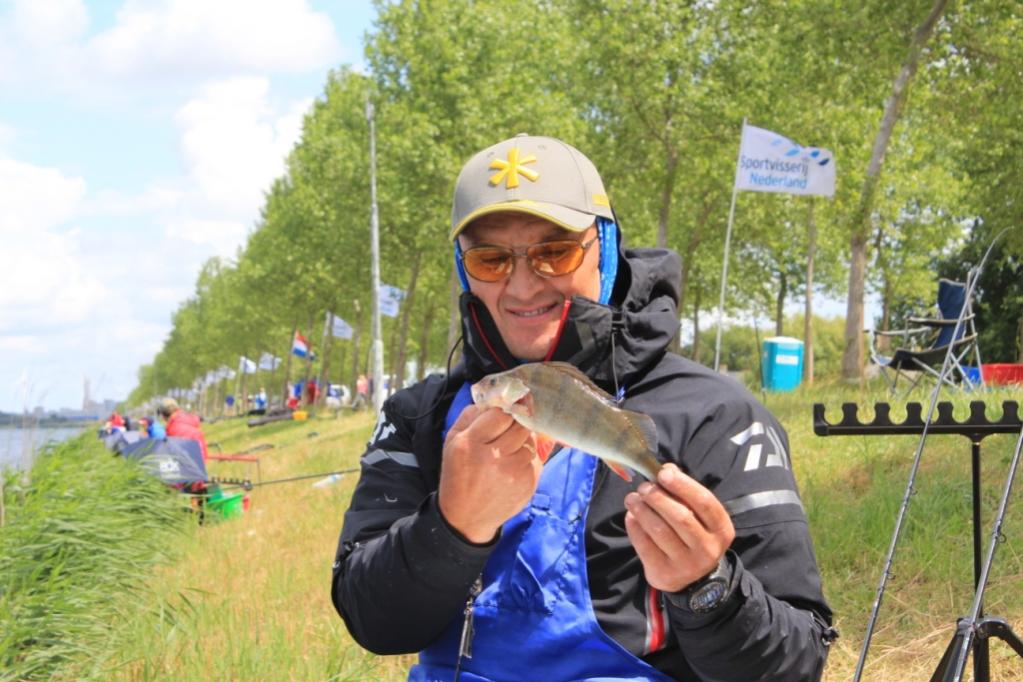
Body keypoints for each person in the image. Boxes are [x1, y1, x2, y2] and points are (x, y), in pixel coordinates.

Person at [331, 135, 835, 680]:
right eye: (490, 259)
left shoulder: (717, 415)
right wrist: (452, 526)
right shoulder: (416, 416)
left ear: (606, 248)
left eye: (555, 252)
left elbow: (798, 662)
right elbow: (373, 623)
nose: (523, 286)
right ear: (463, 268)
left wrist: (708, 589)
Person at [158, 397, 209, 461]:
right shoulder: (189, 420)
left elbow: (173, 454)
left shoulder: (174, 428)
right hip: (199, 463)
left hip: (187, 464)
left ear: (163, 415)